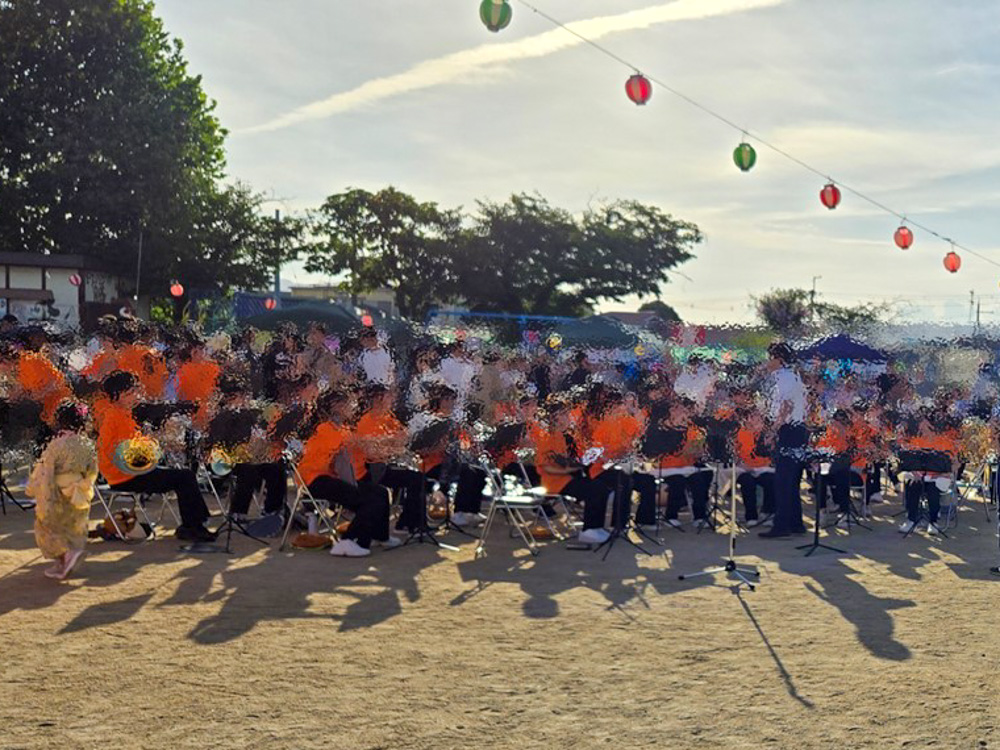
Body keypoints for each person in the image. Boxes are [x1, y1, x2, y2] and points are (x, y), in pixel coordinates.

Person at [96, 372, 215, 542]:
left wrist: (158, 442)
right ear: (116, 396)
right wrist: (155, 443)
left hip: (130, 472)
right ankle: (193, 526)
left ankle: (195, 524)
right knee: (185, 477)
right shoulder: (114, 417)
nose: (134, 396)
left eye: (134, 391)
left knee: (184, 475)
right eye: (129, 393)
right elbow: (124, 453)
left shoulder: (124, 414)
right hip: (124, 476)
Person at [297, 390, 397, 557]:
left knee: (380, 492)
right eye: (349, 404)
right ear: (337, 407)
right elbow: (343, 447)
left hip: (332, 477)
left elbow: (358, 447)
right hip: (316, 480)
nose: (353, 407)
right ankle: (349, 541)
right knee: (367, 500)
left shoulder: (342, 428)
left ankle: (380, 535)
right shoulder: (324, 428)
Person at [27, 432, 98, 580]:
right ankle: (68, 557)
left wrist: (44, 493)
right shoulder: (86, 444)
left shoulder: (56, 444)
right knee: (74, 523)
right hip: (79, 488)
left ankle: (66, 556)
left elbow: (47, 472)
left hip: (58, 488)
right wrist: (85, 484)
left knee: (50, 524)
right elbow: (93, 469)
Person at [759, 342, 809, 539]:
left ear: (779, 359)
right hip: (796, 430)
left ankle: (782, 526)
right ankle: (795, 523)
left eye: (770, 358)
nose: (767, 361)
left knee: (783, 481)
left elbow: (786, 406)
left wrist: (773, 430)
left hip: (789, 431)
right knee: (792, 480)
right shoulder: (790, 376)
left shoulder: (785, 377)